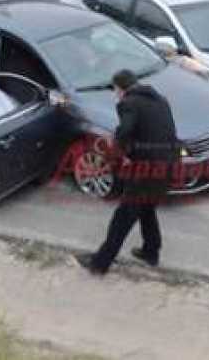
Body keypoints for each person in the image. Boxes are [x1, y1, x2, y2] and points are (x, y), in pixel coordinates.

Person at [76, 69, 180, 275]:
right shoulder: (160, 100)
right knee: (147, 208)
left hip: (146, 171)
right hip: (167, 166)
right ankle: (151, 252)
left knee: (122, 218)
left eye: (115, 90)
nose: (116, 94)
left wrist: (114, 155)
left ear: (120, 88)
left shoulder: (128, 103)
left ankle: (99, 264)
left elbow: (125, 130)